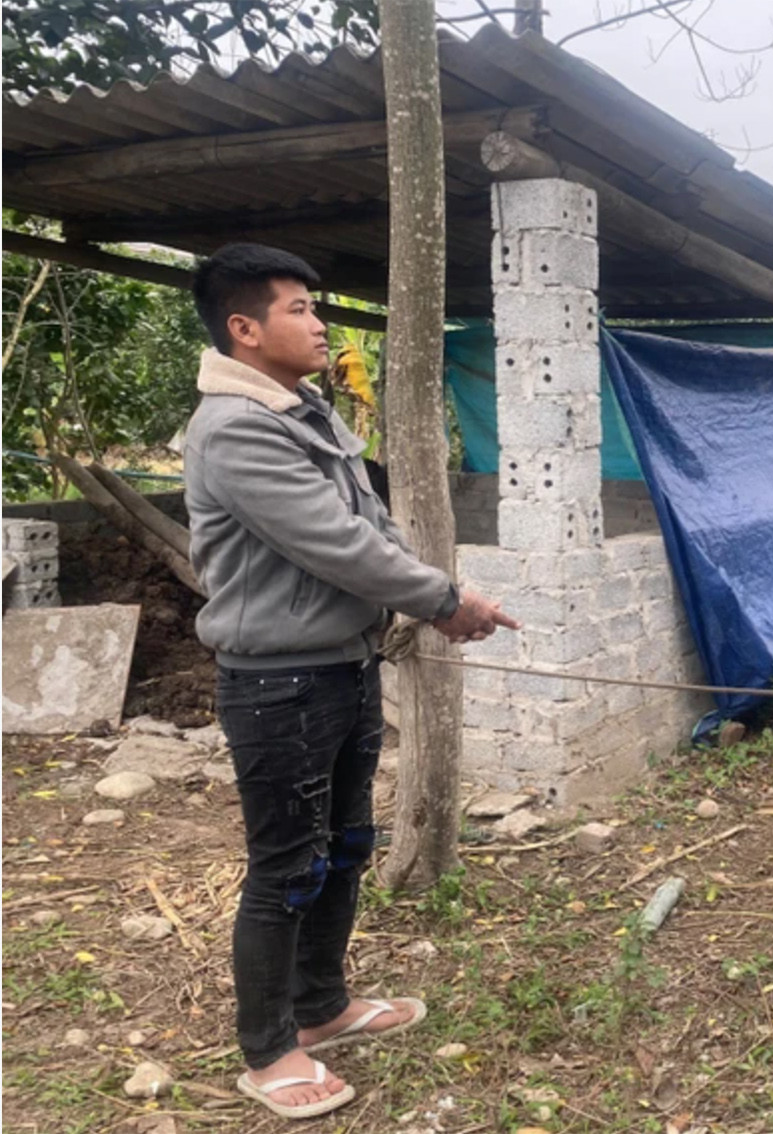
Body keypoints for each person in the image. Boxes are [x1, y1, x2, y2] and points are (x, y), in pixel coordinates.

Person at [183, 243, 519, 1120]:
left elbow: (365, 521)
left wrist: (426, 595)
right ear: (244, 328)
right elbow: (333, 545)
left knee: (344, 846)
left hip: (339, 664)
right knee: (287, 864)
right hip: (278, 683)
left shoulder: (301, 410)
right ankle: (268, 1050)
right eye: (298, 308)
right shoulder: (236, 428)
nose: (318, 321)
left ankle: (322, 1006)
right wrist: (445, 599)